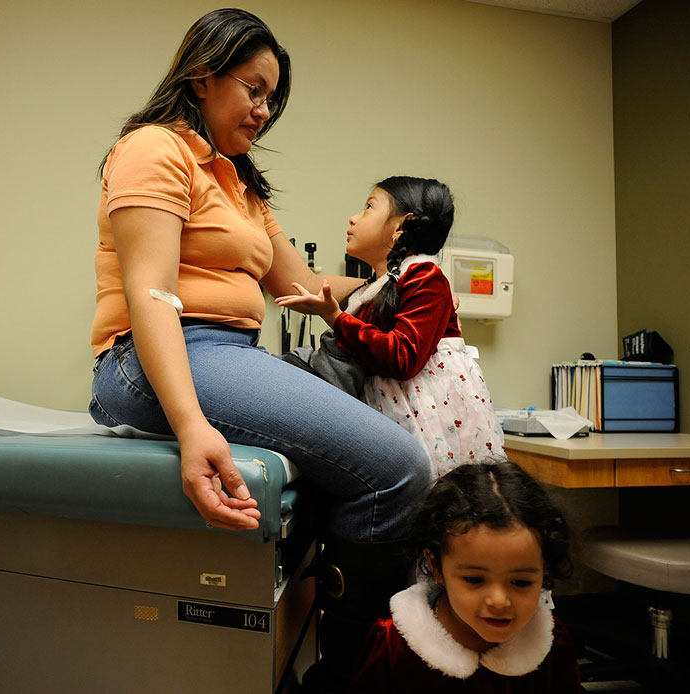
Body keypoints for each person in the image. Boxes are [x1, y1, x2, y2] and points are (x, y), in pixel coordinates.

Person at [88, 9, 431, 690]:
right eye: (254, 89)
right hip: (157, 356)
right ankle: (353, 678)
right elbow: (152, 293)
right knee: (399, 470)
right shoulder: (155, 148)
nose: (265, 110)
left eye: (272, 98)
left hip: (225, 353)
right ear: (202, 74)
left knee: (374, 458)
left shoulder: (240, 184)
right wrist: (192, 429)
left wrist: (408, 279)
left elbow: (300, 286)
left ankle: (300, 643)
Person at [276, 176, 505, 477]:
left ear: (400, 226)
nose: (354, 217)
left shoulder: (426, 276)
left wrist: (336, 317)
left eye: (369, 207)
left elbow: (402, 358)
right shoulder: (373, 290)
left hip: (427, 419)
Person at [347, 460, 580, 693]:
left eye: (521, 582)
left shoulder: (550, 643)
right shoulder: (394, 646)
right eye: (475, 580)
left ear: (545, 570)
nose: (498, 601)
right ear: (435, 565)